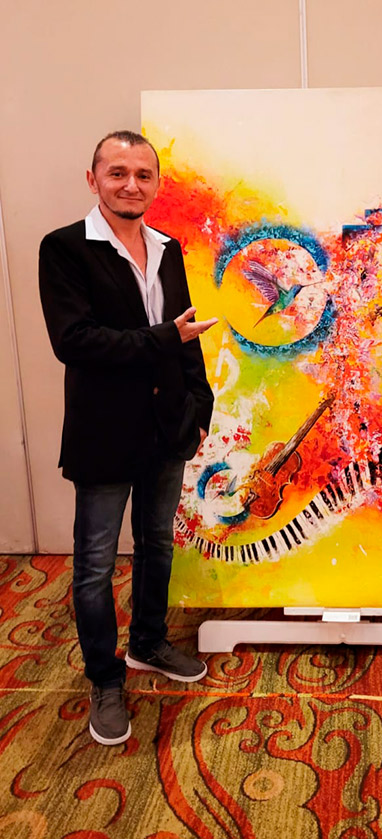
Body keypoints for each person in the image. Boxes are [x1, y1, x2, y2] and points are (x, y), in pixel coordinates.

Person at [39, 131, 217, 745]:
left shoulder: (168, 249)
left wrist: (200, 407)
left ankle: (148, 642)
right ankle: (104, 678)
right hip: (103, 432)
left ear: (157, 183)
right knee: (94, 565)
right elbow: (75, 341)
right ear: (93, 179)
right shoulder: (65, 248)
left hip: (168, 427)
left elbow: (187, 335)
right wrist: (165, 339)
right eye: (117, 173)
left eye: (143, 174)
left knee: (157, 545)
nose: (131, 185)